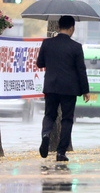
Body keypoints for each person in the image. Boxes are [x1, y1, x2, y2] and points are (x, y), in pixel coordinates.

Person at [36, 16, 90, 162]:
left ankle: (46, 135)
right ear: (72, 28)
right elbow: (81, 70)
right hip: (69, 89)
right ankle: (60, 152)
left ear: (59, 27)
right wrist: (85, 90)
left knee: (49, 115)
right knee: (67, 120)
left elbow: (39, 64)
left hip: (51, 87)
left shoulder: (47, 43)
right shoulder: (76, 47)